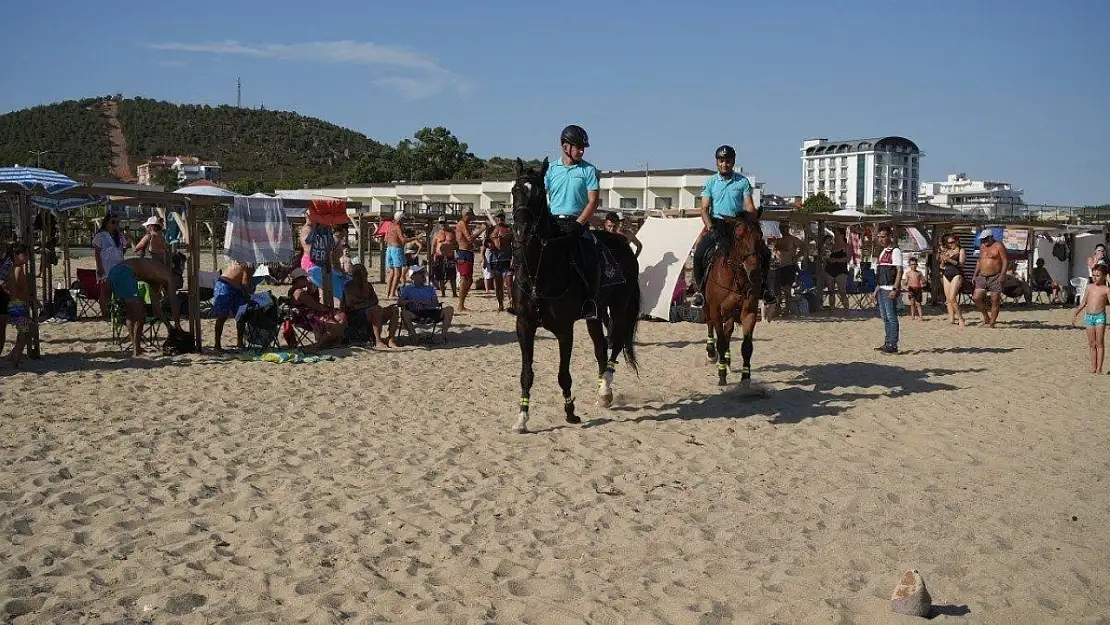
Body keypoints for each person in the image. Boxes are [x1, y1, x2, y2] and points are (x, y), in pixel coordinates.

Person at [691, 145, 773, 307]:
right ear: (717, 162)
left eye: (727, 161)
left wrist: (754, 216)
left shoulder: (742, 182)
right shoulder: (710, 183)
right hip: (717, 224)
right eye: (721, 161)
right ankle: (700, 291)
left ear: (733, 162)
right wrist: (710, 228)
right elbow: (704, 209)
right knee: (699, 252)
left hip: (737, 225)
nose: (724, 164)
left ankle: (764, 288)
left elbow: (749, 206)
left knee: (764, 252)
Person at [544, 124, 601, 319]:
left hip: (578, 224)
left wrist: (578, 224)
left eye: (583, 147)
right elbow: (542, 198)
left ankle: (590, 302)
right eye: (578, 146)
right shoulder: (551, 169)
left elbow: (593, 202)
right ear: (565, 146)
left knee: (590, 255)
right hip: (554, 223)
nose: (582, 150)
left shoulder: (589, 170)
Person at [106, 257, 181, 357]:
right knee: (140, 315)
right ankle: (136, 352)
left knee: (131, 313)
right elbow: (174, 302)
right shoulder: (169, 277)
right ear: (176, 278)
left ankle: (136, 348)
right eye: (176, 286)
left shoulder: (155, 279)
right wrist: (177, 324)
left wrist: (168, 326)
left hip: (116, 271)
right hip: (124, 272)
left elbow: (156, 307)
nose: (174, 288)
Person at [287, 267, 347, 349]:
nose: (307, 280)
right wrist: (331, 309)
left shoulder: (294, 291)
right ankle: (319, 345)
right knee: (338, 320)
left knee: (341, 317)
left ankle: (330, 341)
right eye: (305, 278)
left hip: (307, 315)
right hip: (307, 318)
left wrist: (312, 291)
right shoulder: (299, 293)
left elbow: (315, 302)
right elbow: (317, 306)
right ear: (298, 280)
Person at [343, 263, 399, 348]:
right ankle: (378, 340)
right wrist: (366, 303)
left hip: (371, 310)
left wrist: (362, 302)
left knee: (394, 310)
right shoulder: (349, 286)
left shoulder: (368, 285)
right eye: (363, 273)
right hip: (357, 315)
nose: (366, 275)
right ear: (356, 275)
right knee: (376, 310)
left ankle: (391, 339)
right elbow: (351, 305)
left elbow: (375, 300)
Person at [398, 265, 454, 343]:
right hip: (416, 313)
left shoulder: (429, 288)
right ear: (413, 276)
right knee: (404, 313)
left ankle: (442, 337)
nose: (423, 275)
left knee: (449, 309)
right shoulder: (407, 289)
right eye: (420, 273)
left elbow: (436, 304)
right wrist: (411, 301)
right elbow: (399, 303)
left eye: (423, 273)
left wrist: (427, 303)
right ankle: (415, 337)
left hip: (430, 311)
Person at [1, 244, 35, 368]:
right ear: (16, 255)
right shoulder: (17, 268)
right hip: (16, 305)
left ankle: (14, 355)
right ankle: (15, 357)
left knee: (24, 331)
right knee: (25, 331)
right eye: (25, 255)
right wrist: (32, 300)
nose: (27, 257)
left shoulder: (10, 267)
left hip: (13, 303)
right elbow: (17, 291)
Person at [1072, 265, 1110, 374]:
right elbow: (1083, 302)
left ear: (1104, 276)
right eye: (1093, 275)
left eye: (1098, 275)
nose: (1095, 277)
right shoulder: (1089, 287)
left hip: (1100, 317)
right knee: (1092, 343)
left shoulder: (1106, 290)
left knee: (1099, 343)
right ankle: (1093, 366)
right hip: (1088, 317)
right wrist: (1076, 312)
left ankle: (1099, 368)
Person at [92, 213, 129, 320]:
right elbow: (97, 253)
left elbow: (122, 251)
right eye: (113, 222)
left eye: (117, 222)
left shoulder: (119, 235)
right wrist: (99, 268)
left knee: (119, 291)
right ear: (107, 222)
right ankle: (105, 315)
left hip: (118, 265)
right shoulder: (100, 235)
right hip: (105, 267)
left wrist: (127, 244)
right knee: (105, 292)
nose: (116, 225)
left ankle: (117, 313)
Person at [212, 261, 254, 351]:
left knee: (240, 315)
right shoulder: (248, 265)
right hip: (225, 286)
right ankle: (218, 344)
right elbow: (245, 283)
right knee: (223, 316)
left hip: (232, 286)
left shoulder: (243, 262)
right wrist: (251, 290)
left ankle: (239, 343)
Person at [874, 226, 903, 354]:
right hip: (882, 288)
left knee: (891, 317)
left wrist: (895, 288)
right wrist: (877, 288)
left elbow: (899, 271)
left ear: (889, 236)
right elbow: (881, 272)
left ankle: (893, 344)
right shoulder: (883, 251)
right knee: (885, 317)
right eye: (879, 237)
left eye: (883, 236)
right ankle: (887, 342)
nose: (881, 239)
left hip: (890, 288)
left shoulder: (895, 251)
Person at [973, 230, 1008, 328]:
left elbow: (1005, 260)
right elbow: (979, 261)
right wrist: (975, 274)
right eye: (982, 239)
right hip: (982, 276)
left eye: (985, 239)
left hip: (995, 276)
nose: (984, 241)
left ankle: (992, 322)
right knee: (976, 298)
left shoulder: (999, 246)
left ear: (991, 237)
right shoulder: (982, 246)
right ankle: (986, 316)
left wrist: (1002, 274)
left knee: (995, 299)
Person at [385, 212, 420, 299]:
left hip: (389, 249)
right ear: (400, 219)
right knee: (398, 273)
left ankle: (388, 293)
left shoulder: (390, 226)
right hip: (396, 249)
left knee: (391, 273)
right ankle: (392, 294)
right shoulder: (397, 226)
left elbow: (385, 238)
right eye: (403, 219)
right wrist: (416, 238)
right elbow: (403, 240)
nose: (404, 221)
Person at [484, 211, 515, 312]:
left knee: (509, 283)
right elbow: (485, 244)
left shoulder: (509, 229)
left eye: (502, 216)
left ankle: (512, 303)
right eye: (498, 216)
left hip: (507, 259)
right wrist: (489, 245)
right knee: (498, 285)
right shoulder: (491, 229)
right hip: (495, 260)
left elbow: (515, 245)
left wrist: (514, 259)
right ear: (495, 218)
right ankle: (500, 304)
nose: (500, 218)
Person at [772, 221, 804, 313]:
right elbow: (774, 252)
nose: (782, 230)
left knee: (787, 289)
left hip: (789, 266)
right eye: (781, 228)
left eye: (784, 228)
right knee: (777, 289)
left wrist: (797, 257)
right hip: (778, 267)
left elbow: (804, 248)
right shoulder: (779, 240)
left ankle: (787, 309)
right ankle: (778, 308)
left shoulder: (793, 239)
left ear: (788, 228)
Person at [938, 234, 967, 326]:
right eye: (948, 243)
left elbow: (961, 264)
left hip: (956, 274)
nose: (950, 244)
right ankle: (952, 318)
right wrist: (942, 259)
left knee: (952, 298)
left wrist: (949, 259)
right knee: (948, 299)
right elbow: (942, 266)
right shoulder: (948, 251)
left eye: (951, 242)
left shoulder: (961, 250)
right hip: (946, 274)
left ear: (957, 241)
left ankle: (961, 318)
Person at [454, 209, 479, 311]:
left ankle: (462, 303)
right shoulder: (462, 223)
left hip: (467, 252)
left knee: (469, 279)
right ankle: (460, 305)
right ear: (467, 215)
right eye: (471, 215)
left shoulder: (465, 224)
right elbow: (469, 239)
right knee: (465, 279)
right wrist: (481, 229)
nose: (472, 217)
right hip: (463, 253)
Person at [822, 230, 850, 314]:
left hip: (841, 270)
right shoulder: (832, 246)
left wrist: (836, 260)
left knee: (842, 292)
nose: (835, 236)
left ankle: (846, 310)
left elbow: (848, 259)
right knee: (831, 291)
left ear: (841, 235)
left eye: (837, 234)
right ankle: (832, 309)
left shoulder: (846, 246)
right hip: (829, 270)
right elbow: (826, 257)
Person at [430, 226, 458, 298]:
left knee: (452, 276)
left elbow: (456, 244)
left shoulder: (452, 233)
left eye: (443, 223)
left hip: (450, 256)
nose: (442, 224)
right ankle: (443, 293)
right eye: (440, 223)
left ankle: (454, 293)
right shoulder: (436, 234)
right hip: (439, 256)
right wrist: (432, 257)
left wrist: (453, 249)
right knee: (440, 276)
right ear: (438, 224)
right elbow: (433, 246)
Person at [903, 256, 926, 321]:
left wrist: (924, 281)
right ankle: (912, 316)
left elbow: (923, 280)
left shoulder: (919, 273)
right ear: (909, 265)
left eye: (915, 264)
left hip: (918, 289)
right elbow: (906, 281)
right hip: (911, 289)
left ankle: (921, 316)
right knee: (912, 303)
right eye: (912, 264)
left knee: (918, 303)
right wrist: (904, 284)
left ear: (917, 264)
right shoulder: (908, 273)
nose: (913, 266)